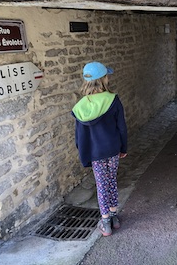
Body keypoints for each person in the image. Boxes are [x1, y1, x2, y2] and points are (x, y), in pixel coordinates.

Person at [72, 61, 128, 237]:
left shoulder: (81, 107)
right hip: (112, 149)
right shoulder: (113, 99)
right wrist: (123, 147)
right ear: (104, 79)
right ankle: (114, 216)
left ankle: (105, 222)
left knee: (101, 185)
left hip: (95, 152)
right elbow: (122, 127)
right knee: (111, 180)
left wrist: (84, 153)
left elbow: (79, 136)